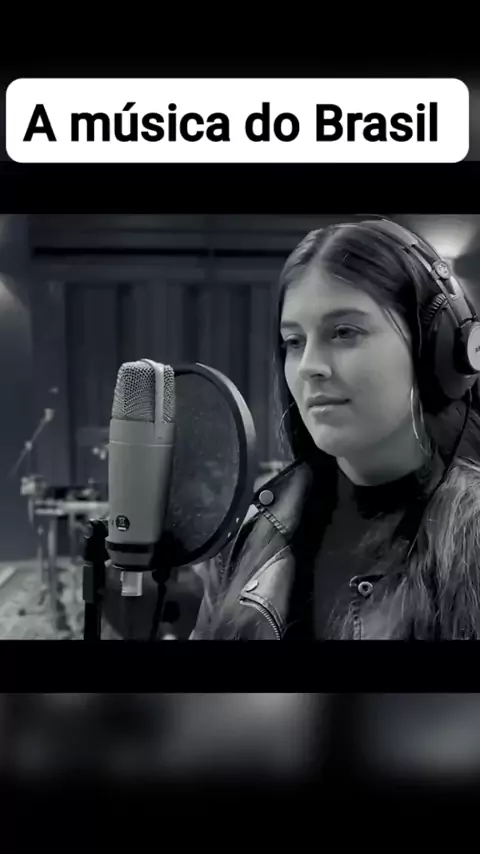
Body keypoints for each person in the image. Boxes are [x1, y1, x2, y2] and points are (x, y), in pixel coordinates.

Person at [190, 218, 480, 640]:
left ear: (433, 347)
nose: (309, 367)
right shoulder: (248, 536)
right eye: (294, 341)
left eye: (344, 332)